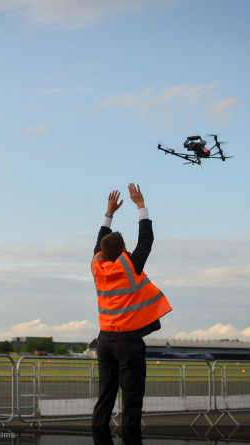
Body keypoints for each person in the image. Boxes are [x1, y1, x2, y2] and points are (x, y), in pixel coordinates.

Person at [91, 183, 172, 436]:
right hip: (129, 343)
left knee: (104, 399)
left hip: (104, 341)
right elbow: (146, 240)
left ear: (103, 253)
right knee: (132, 401)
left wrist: (109, 212)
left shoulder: (96, 266)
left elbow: (98, 243)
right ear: (123, 249)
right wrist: (140, 206)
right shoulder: (130, 266)